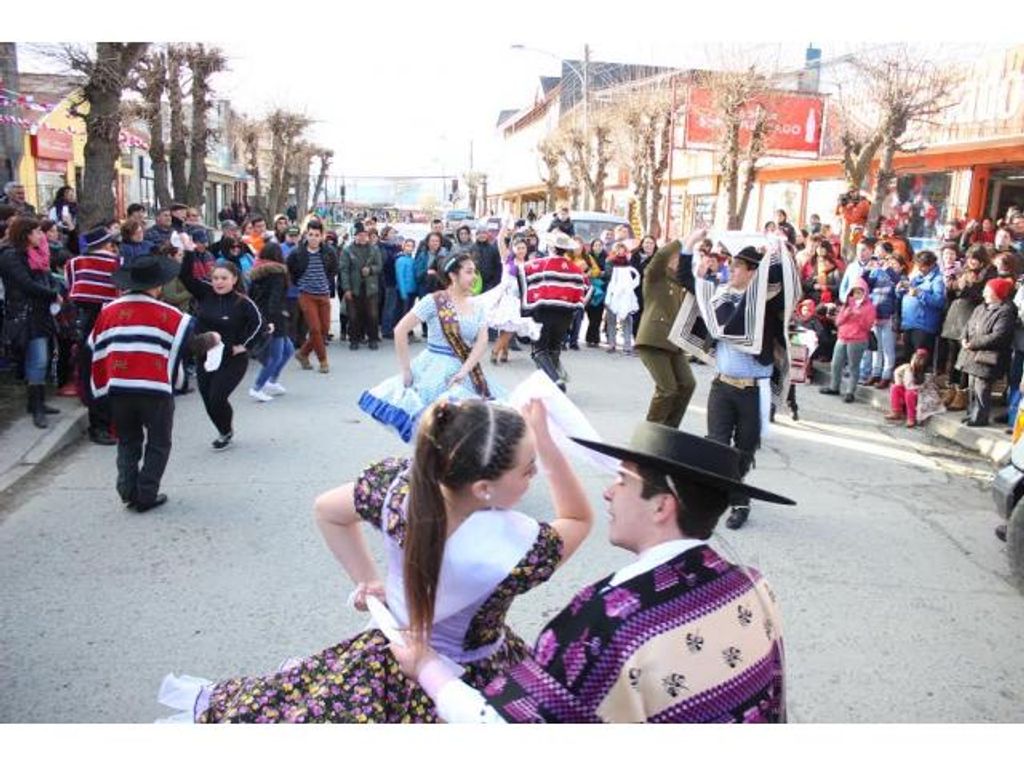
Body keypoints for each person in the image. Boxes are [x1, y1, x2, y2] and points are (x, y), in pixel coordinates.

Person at [158, 397, 593, 723]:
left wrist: (367, 580)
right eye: (528, 468)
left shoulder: (399, 487)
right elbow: (577, 517)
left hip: (386, 654)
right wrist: (550, 448)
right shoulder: (522, 551)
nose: (532, 475)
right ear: (482, 487)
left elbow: (328, 510)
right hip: (470, 678)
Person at [390, 421, 794, 723]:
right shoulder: (754, 584)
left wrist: (427, 666)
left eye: (622, 480)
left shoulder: (606, 621)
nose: (607, 491)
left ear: (662, 506)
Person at [674, 232, 799, 531]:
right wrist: (689, 245)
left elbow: (787, 282)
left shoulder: (767, 304)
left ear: (754, 272)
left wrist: (775, 249)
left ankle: (731, 490)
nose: (732, 271)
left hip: (753, 391)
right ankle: (738, 499)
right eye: (731, 265)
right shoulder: (720, 296)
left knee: (744, 450)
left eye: (739, 267)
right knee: (717, 445)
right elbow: (687, 279)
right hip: (722, 385)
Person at [88, 255, 220, 511]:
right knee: (159, 441)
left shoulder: (109, 311)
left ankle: (127, 489)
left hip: (118, 388)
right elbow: (189, 346)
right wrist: (211, 339)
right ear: (157, 285)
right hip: (154, 389)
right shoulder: (169, 314)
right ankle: (146, 494)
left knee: (128, 439)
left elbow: (95, 348)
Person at [359, 253, 501, 442]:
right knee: (434, 432)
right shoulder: (434, 301)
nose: (474, 276)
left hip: (466, 372)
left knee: (464, 434)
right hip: (433, 370)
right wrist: (406, 369)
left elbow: (482, 341)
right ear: (453, 275)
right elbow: (400, 330)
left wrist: (464, 371)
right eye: (469, 272)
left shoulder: (478, 305)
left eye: (474, 272)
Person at [177, 251, 263, 449]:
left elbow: (259, 324)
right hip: (205, 355)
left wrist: (244, 346)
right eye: (215, 278)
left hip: (232, 359)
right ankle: (224, 430)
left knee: (217, 397)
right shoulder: (205, 292)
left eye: (224, 278)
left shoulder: (243, 302)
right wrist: (189, 251)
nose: (219, 282)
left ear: (234, 279)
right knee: (208, 399)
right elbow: (185, 277)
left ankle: (226, 431)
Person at [0, 216, 62, 428]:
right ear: (26, 234)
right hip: (25, 315)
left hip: (40, 314)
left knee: (38, 360)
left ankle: (37, 402)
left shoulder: (37, 254)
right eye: (36, 232)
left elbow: (48, 277)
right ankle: (36, 406)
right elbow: (25, 284)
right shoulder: (11, 257)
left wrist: (54, 290)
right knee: (38, 359)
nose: (41, 235)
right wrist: (52, 295)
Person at [65, 226, 125, 444]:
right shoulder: (118, 264)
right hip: (109, 323)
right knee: (110, 374)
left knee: (90, 374)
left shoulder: (73, 263)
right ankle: (107, 425)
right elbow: (122, 293)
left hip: (82, 324)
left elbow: (70, 290)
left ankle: (99, 424)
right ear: (109, 245)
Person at [634, 232, 698, 428]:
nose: (680, 260)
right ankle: (651, 432)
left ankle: (669, 430)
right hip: (653, 340)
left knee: (687, 384)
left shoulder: (681, 284)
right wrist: (685, 240)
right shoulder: (655, 277)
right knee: (667, 389)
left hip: (674, 342)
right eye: (677, 256)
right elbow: (660, 256)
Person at [520, 232, 589, 392]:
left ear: (551, 246)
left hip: (542, 311)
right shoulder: (575, 269)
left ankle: (556, 381)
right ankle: (549, 384)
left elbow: (521, 273)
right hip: (565, 314)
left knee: (539, 350)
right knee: (554, 347)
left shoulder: (538, 264)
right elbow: (584, 288)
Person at [958, 277, 1016, 427]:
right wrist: (964, 338)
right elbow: (968, 325)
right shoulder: (980, 307)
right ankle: (971, 414)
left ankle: (980, 417)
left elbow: (999, 335)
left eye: (987, 290)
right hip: (972, 353)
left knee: (982, 387)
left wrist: (974, 343)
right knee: (972, 386)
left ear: (997, 293)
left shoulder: (1006, 311)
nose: (984, 293)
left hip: (988, 356)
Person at [248, 242, 294, 402]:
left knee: (289, 350)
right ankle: (258, 386)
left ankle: (271, 381)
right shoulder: (278, 274)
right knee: (276, 355)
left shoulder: (256, 273)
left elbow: (251, 297)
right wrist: (274, 319)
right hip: (274, 318)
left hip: (261, 315)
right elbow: (274, 300)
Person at [819, 279, 876, 403]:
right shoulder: (847, 304)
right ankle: (834, 387)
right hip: (843, 337)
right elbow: (838, 322)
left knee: (853, 366)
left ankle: (850, 392)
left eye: (860, 293)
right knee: (836, 364)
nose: (857, 295)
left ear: (865, 293)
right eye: (855, 292)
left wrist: (858, 316)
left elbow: (868, 326)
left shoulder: (869, 307)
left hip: (857, 340)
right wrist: (848, 314)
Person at [288, 220, 334, 373]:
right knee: (315, 329)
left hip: (323, 293)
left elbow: (333, 270)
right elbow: (291, 271)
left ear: (322, 236)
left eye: (317, 235)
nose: (313, 238)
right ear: (306, 235)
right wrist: (299, 283)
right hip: (306, 294)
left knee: (324, 330)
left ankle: (303, 353)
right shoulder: (297, 253)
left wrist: (326, 283)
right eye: (310, 234)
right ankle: (323, 361)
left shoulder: (328, 252)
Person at [485, 229, 536, 364]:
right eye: (518, 248)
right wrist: (504, 226)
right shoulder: (507, 259)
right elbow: (500, 241)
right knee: (509, 326)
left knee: (510, 326)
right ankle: (496, 350)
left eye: (523, 248)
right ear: (513, 248)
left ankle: (504, 352)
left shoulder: (529, 264)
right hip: (506, 297)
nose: (521, 250)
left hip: (519, 299)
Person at [896, 251, 946, 365]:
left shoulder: (937, 280)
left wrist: (920, 294)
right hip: (909, 324)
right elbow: (905, 296)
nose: (919, 268)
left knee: (919, 362)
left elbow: (939, 302)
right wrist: (900, 291)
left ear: (931, 265)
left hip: (923, 326)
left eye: (922, 266)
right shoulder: (915, 278)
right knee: (907, 359)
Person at [340, 227, 383, 350]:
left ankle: (373, 339)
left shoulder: (374, 250)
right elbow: (344, 271)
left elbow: (379, 266)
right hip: (354, 288)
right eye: (360, 235)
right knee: (353, 315)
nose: (363, 237)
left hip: (371, 288)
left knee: (373, 315)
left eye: (365, 235)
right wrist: (346, 288)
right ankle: (354, 339)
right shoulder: (347, 251)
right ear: (355, 236)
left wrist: (370, 270)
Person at [885, 348, 932, 428]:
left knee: (910, 393)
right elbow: (897, 374)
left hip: (921, 395)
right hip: (908, 390)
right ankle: (896, 411)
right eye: (916, 358)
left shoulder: (928, 372)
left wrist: (913, 388)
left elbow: (925, 387)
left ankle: (911, 418)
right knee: (895, 387)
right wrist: (900, 381)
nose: (917, 361)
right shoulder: (907, 368)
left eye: (921, 359)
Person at [47, 185, 78, 254]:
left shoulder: (76, 208)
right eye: (68, 193)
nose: (71, 196)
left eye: (72, 193)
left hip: (74, 234)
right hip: (61, 235)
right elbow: (52, 222)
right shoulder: (55, 209)